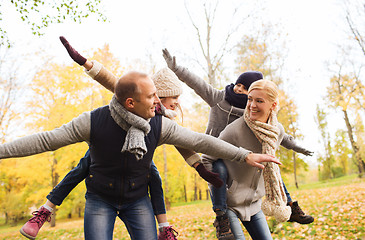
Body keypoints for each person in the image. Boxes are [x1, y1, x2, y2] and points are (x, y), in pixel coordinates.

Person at [0, 62, 282, 239]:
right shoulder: (93, 121)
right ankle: (47, 208)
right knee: (82, 166)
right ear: (131, 103)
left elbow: (201, 141)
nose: (157, 103)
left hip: (137, 201)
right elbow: (44, 140)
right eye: (151, 97)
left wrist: (243, 155)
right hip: (100, 198)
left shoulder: (160, 125)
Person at [19, 38, 222, 240]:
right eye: (174, 98)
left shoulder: (164, 120)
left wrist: (200, 167)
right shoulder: (138, 97)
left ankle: (164, 227)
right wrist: (84, 61)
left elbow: (184, 143)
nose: (177, 103)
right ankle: (47, 208)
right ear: (159, 95)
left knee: (154, 177)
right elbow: (109, 79)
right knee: (84, 166)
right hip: (107, 152)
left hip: (138, 156)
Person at [162, 49, 315, 239]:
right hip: (215, 151)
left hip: (243, 166)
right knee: (221, 172)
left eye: (245, 89)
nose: (238, 89)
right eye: (238, 85)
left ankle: (289, 205)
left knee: (272, 166)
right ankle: (221, 214)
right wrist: (176, 68)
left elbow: (280, 135)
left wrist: (298, 147)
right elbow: (197, 83)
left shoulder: (252, 112)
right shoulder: (220, 99)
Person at [203, 79, 300, 239]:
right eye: (250, 99)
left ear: (273, 105)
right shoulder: (234, 130)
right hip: (230, 205)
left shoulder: (277, 131)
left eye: (259, 101)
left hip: (254, 203)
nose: (252, 105)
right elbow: (207, 158)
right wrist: (221, 190)